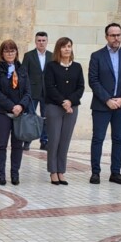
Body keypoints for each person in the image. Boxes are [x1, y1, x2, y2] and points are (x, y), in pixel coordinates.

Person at [87, 23, 121, 185]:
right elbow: (93, 81)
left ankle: (116, 172)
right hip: (102, 105)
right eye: (113, 35)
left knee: (118, 139)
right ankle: (95, 172)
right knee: (98, 139)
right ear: (106, 37)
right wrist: (107, 99)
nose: (116, 38)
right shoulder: (97, 56)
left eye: (119, 35)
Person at [0, 40, 31, 186]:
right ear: (2, 53)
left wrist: (20, 106)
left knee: (17, 145)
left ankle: (15, 173)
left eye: (12, 51)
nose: (10, 54)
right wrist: (12, 106)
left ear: (16, 53)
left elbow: (28, 92)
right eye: (7, 51)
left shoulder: (22, 69)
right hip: (2, 112)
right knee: (1, 144)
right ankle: (1, 174)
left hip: (19, 113)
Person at [43, 37, 83, 185]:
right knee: (54, 140)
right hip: (54, 107)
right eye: (64, 46)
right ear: (58, 49)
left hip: (72, 108)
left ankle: (61, 171)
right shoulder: (51, 66)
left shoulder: (77, 67)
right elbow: (50, 87)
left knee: (65, 141)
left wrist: (70, 101)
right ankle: (53, 171)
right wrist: (62, 102)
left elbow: (81, 87)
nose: (67, 49)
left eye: (69, 46)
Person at [21, 31, 51, 149]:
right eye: (39, 40)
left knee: (46, 117)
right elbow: (24, 73)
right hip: (32, 92)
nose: (41, 43)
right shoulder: (29, 55)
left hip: (46, 93)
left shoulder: (52, 56)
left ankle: (44, 141)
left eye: (43, 40)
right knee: (30, 117)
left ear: (47, 41)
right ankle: (27, 141)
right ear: (35, 42)